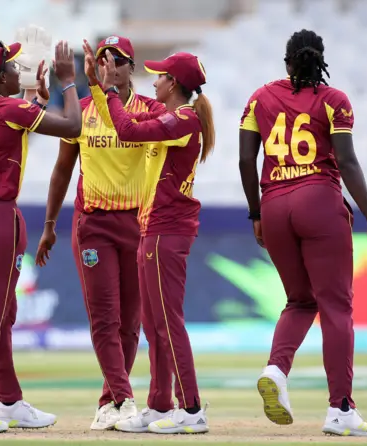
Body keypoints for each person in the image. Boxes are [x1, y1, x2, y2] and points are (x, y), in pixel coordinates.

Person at [238, 29, 367, 437]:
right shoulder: (334, 100)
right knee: (336, 308)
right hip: (319, 201)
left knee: (299, 300)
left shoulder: (259, 97)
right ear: (320, 60)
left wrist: (255, 212)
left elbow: (246, 158)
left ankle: (276, 370)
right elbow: (347, 161)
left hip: (274, 205)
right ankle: (340, 409)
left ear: (286, 62)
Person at [0, 40, 81, 433]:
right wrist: (68, 83)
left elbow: (12, 124)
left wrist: (31, 98)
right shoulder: (7, 108)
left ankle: (8, 400)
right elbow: (72, 126)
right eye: (9, 67)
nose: (15, 71)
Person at [34, 36, 165, 431]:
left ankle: (108, 402)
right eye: (104, 60)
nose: (111, 66)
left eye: (119, 60)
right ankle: (124, 400)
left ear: (131, 65)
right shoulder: (83, 112)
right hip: (93, 224)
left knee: (131, 323)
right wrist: (50, 225)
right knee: (105, 318)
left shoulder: (149, 111)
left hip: (136, 224)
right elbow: (62, 170)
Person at [94, 50, 214, 435]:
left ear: (174, 84)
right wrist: (104, 90)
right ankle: (160, 403)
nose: (154, 81)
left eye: (160, 76)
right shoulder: (170, 117)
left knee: (168, 322)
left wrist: (110, 89)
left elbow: (127, 131)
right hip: (153, 228)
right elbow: (126, 123)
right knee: (153, 322)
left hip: (167, 230)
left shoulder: (183, 119)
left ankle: (191, 408)